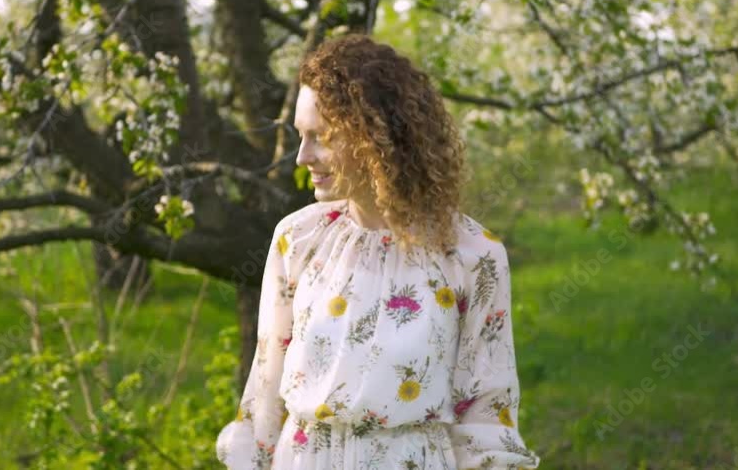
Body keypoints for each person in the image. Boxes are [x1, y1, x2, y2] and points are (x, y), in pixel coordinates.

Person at [216, 34, 540, 469]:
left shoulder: (471, 255)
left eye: (320, 137)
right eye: (300, 136)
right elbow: (265, 393)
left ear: (374, 138)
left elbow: (486, 413)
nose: (302, 157)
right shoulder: (299, 238)